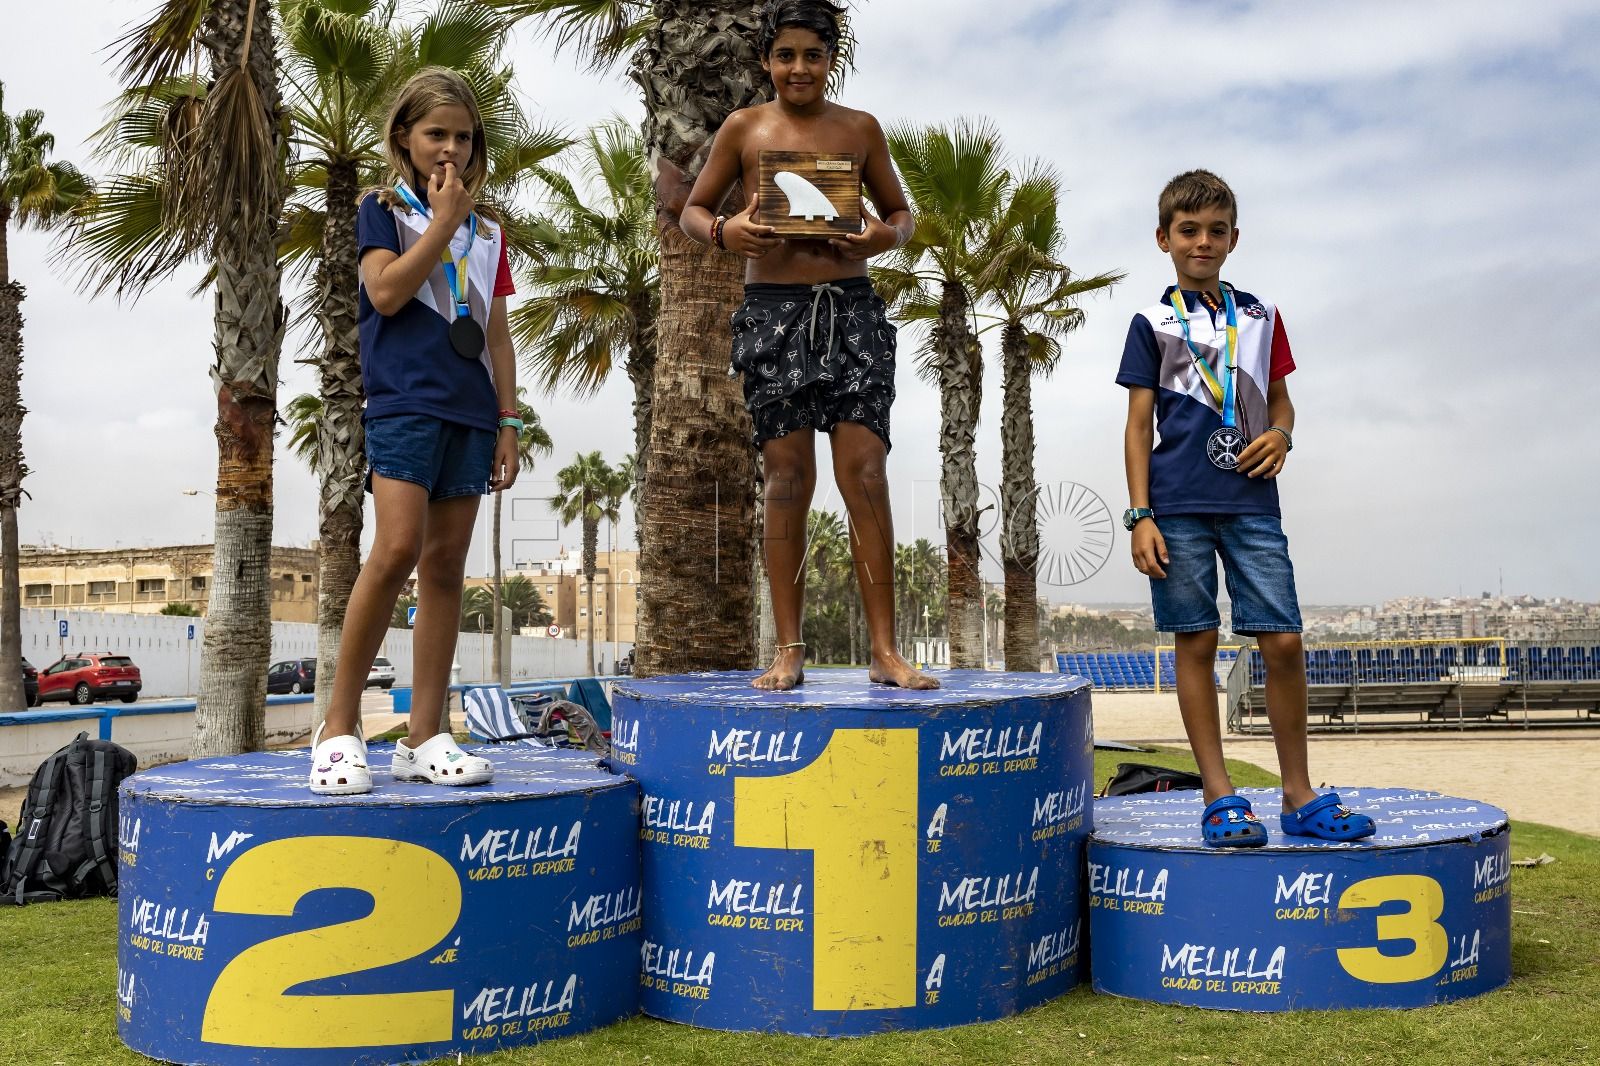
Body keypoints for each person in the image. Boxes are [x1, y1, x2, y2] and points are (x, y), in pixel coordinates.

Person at [680, 0, 937, 692]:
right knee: (787, 479)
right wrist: (725, 232)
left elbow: (901, 214)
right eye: (786, 55)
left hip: (852, 312)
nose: (799, 68)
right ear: (766, 60)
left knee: (867, 474)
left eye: (813, 55)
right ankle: (788, 649)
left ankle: (884, 650)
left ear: (831, 59)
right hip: (773, 315)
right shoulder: (744, 128)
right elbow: (693, 209)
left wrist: (884, 237)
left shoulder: (860, 128)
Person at [1116, 169, 1374, 846]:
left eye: (1216, 230)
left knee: (1283, 640)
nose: (1202, 241)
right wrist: (1140, 516)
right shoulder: (1151, 322)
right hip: (1176, 505)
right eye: (1188, 230)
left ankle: (1299, 795)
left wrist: (1282, 435)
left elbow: (1281, 400)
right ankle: (1220, 795)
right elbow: (1138, 426)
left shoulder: (1261, 317)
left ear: (1234, 238)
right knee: (1196, 640)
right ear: (1164, 239)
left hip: (1253, 500)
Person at [308, 68, 522, 794]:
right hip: (403, 403)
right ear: (404, 136)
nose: (450, 149)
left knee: (446, 567)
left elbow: (497, 335)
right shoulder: (381, 209)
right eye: (436, 134)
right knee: (396, 548)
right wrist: (441, 223)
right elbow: (386, 291)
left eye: (463, 136)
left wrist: (509, 421)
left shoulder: (489, 231)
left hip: (472, 411)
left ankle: (425, 733)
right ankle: (339, 727)